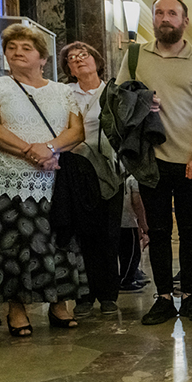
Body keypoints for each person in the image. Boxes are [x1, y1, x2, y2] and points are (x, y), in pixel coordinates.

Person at [114, 0, 192, 325]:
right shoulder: (135, 56)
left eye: (172, 13)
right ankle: (162, 297)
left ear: (184, 21)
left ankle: (188, 295)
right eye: (159, 13)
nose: (165, 18)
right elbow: (119, 100)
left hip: (190, 161)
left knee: (190, 231)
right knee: (158, 231)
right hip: (151, 159)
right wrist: (142, 102)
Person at [0, 23, 87, 335]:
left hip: (53, 179)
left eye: (26, 48)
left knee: (58, 242)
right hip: (7, 180)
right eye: (12, 48)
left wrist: (48, 149)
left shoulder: (63, 91)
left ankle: (59, 304)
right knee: (12, 244)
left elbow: (77, 131)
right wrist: (30, 151)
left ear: (43, 58)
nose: (18, 52)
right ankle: (16, 309)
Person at [60, 41, 123, 318]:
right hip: (75, 168)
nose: (78, 59)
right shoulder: (63, 93)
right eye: (71, 58)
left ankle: (108, 294)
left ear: (97, 60)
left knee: (108, 233)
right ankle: (84, 295)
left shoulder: (113, 92)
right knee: (82, 233)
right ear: (69, 69)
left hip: (108, 168)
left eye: (83, 55)